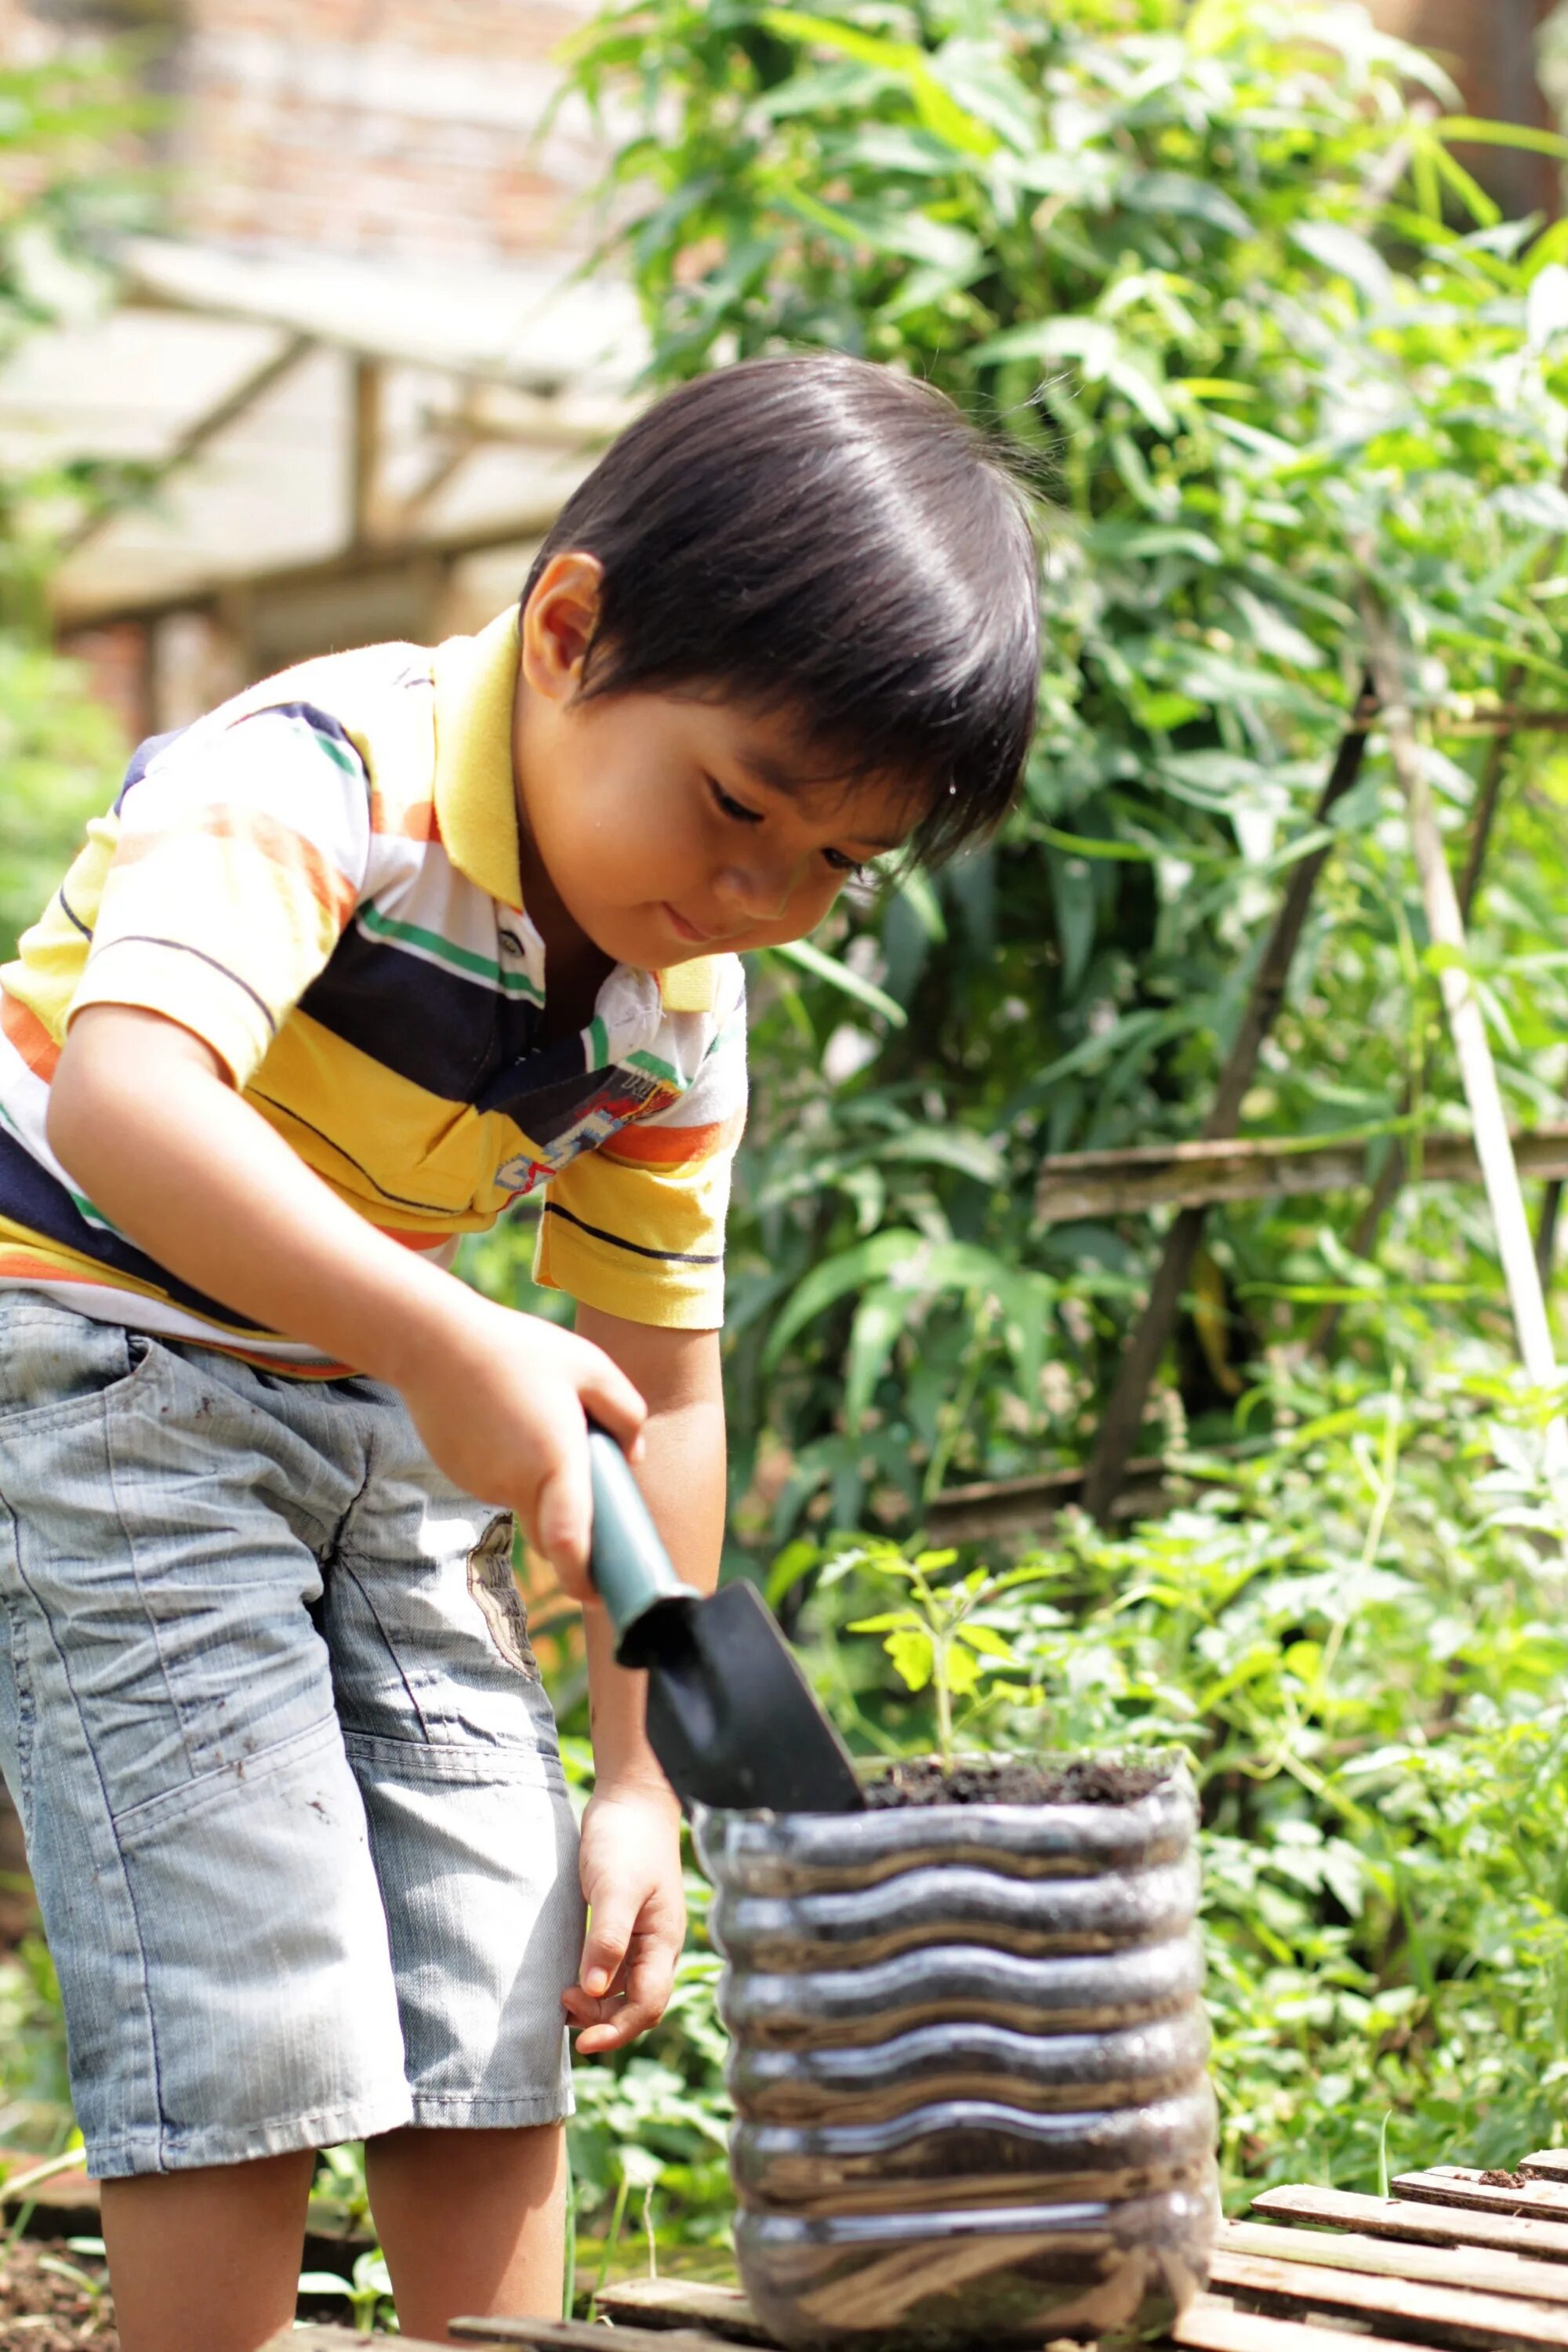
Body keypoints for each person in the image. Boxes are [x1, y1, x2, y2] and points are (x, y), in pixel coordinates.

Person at [0, 354, 1040, 2351]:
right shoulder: (314, 771)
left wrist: (637, 1783)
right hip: (96, 1356)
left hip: (380, 1398)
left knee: (503, 1938)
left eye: (833, 865)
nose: (759, 891)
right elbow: (129, 1100)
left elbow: (662, 1382)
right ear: (565, 632)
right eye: (737, 805)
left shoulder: (682, 994)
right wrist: (445, 1335)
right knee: (255, 1951)